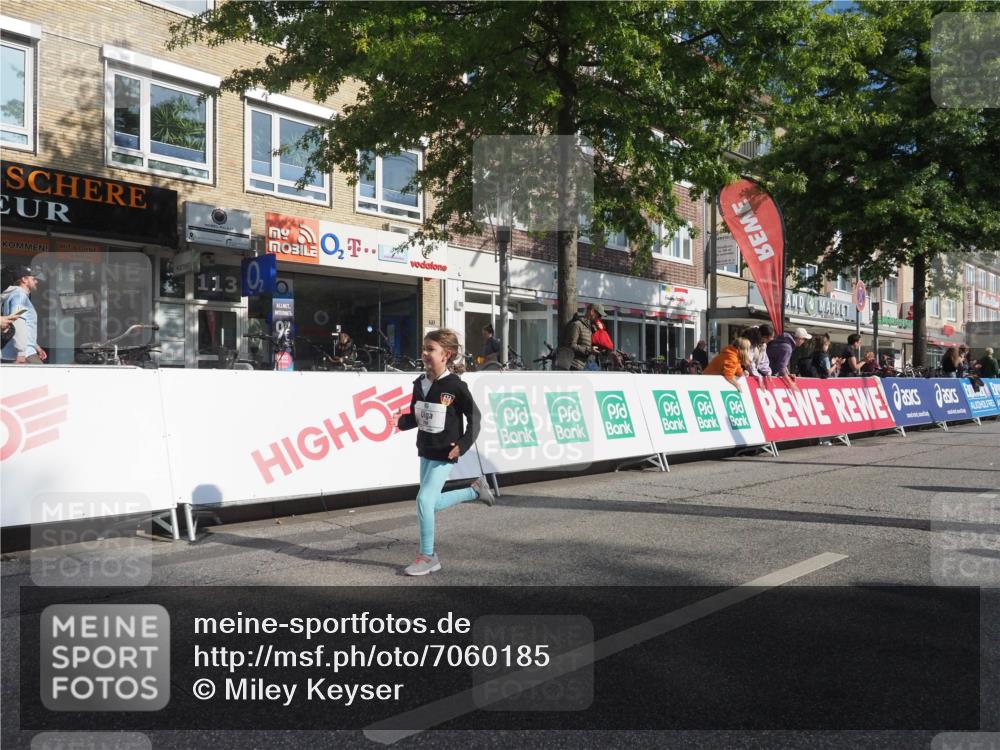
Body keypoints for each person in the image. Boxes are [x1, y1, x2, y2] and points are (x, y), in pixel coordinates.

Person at [392, 328, 494, 576]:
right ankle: (474, 491)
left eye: (431, 349)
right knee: (430, 502)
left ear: (446, 355)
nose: (425, 353)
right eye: (424, 348)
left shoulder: (455, 386)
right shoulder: (420, 383)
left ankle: (428, 556)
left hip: (446, 451)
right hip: (426, 449)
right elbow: (419, 416)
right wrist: (401, 421)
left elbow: (475, 417)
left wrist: (462, 444)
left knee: (423, 500)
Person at [1, 265, 47, 364]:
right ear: (24, 279)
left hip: (23, 351)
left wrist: (36, 346)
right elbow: (17, 321)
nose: (36, 282)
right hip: (24, 354)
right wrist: (21, 352)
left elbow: (26, 326)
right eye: (34, 279)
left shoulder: (18, 296)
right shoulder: (19, 296)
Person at [555, 304, 595, 370]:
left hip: (587, 365)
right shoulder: (577, 325)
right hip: (575, 365)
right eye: (599, 315)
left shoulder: (591, 328)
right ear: (591, 311)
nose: (600, 318)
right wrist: (589, 350)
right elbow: (571, 345)